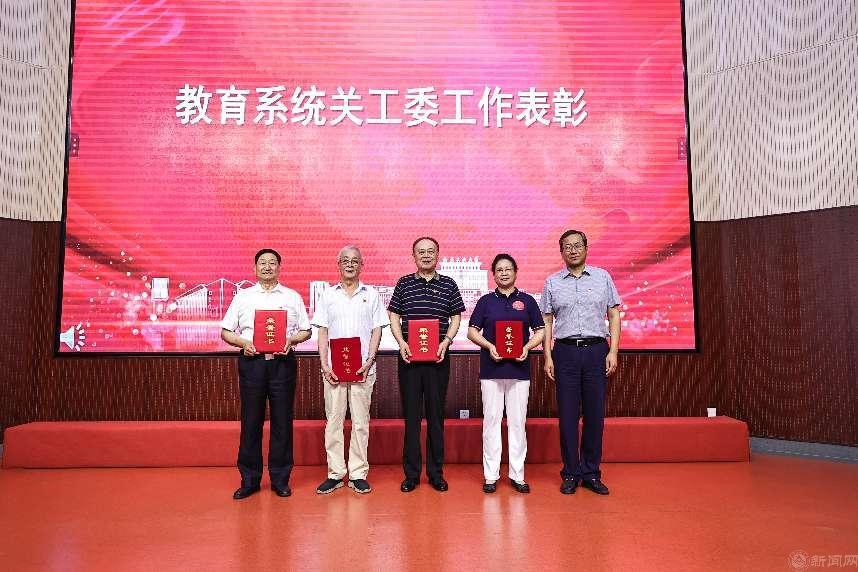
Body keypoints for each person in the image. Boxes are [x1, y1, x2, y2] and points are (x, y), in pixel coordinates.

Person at [220, 248, 311, 499]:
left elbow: (306, 331)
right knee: (251, 421)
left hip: (283, 363)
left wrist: (291, 340)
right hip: (253, 363)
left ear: (279, 268)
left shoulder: (292, 296)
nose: (267, 267)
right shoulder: (243, 297)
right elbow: (225, 331)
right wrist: (243, 343)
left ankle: (280, 479)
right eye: (262, 263)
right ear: (255, 268)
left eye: (272, 263)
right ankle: (249, 480)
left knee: (283, 422)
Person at [541, 230, 621, 495]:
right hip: (565, 352)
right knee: (567, 417)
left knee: (595, 416)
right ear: (561, 252)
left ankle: (591, 473)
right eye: (567, 246)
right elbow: (547, 321)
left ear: (586, 248)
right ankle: (570, 473)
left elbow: (614, 315)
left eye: (577, 245)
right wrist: (548, 356)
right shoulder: (552, 282)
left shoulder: (602, 277)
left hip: (597, 350)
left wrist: (613, 351)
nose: (573, 250)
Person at [388, 237, 465, 493]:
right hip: (409, 358)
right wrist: (401, 342)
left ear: (438, 254)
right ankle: (411, 475)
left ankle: (435, 473)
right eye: (421, 252)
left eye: (431, 251)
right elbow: (394, 315)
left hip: (438, 359)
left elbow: (456, 317)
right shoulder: (404, 283)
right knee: (411, 418)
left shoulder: (449, 284)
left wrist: (446, 341)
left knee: (435, 417)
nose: (426, 255)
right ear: (413, 256)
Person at [312, 246, 389, 495]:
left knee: (360, 422)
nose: (350, 264)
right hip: (333, 370)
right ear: (338, 264)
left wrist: (370, 360)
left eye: (355, 261)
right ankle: (335, 473)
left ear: (361, 265)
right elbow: (322, 330)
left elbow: (377, 329)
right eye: (345, 260)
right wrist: (324, 364)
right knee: (333, 422)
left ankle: (357, 473)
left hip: (363, 369)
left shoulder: (372, 294)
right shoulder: (328, 295)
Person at [467, 254, 545, 494]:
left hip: (519, 370)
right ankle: (490, 476)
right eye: (499, 270)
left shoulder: (528, 301)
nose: (504, 273)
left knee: (517, 423)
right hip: (491, 370)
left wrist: (527, 347)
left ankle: (517, 475)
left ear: (516, 272)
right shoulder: (485, 301)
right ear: (493, 274)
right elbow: (472, 332)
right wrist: (489, 346)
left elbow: (540, 331)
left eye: (508, 269)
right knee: (491, 422)